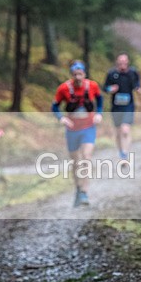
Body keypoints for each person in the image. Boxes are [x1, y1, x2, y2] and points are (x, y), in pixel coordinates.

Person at [52, 60, 103, 206]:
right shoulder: (63, 89)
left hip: (88, 127)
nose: (78, 77)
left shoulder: (92, 86)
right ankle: (78, 189)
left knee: (86, 158)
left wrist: (99, 113)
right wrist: (61, 118)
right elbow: (55, 106)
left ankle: (85, 192)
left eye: (80, 74)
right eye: (75, 75)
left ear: (84, 74)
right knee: (75, 162)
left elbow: (99, 99)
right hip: (72, 129)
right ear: (72, 75)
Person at [104, 53, 141, 159]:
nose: (122, 65)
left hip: (128, 106)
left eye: (124, 63)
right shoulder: (111, 74)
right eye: (120, 63)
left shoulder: (133, 73)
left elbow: (137, 85)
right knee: (118, 131)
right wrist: (110, 89)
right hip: (116, 106)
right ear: (117, 63)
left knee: (125, 130)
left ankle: (125, 153)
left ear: (127, 62)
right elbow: (105, 88)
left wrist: (138, 89)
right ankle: (121, 151)